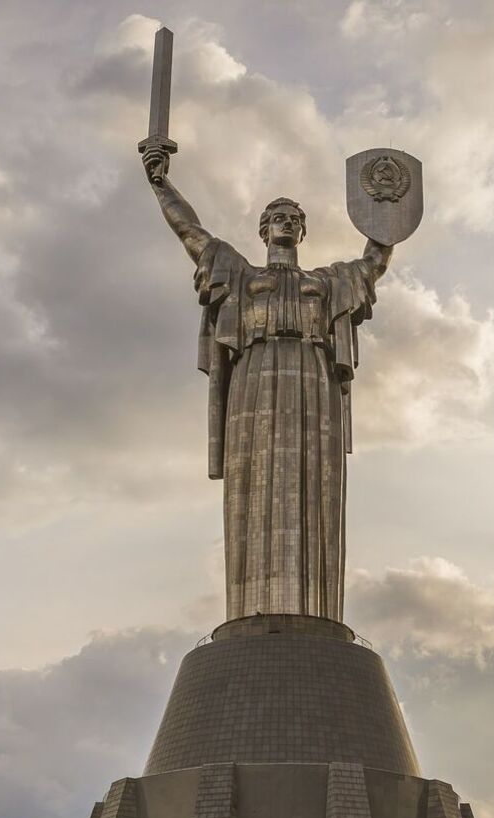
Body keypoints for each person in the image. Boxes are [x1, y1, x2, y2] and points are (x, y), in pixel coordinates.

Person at [140, 143, 392, 622]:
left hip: (312, 379)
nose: (287, 222)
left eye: (295, 218)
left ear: (303, 231)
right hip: (254, 378)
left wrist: (386, 214)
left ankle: (316, 609)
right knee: (253, 483)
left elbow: (374, 262)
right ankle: (253, 609)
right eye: (278, 216)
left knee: (315, 480)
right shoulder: (239, 274)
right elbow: (190, 233)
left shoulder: (328, 281)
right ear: (263, 228)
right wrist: (161, 183)